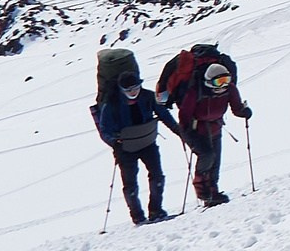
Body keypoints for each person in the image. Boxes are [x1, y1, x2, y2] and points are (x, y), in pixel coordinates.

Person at [158, 44, 252, 208]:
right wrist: (187, 133)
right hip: (195, 129)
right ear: (209, 81)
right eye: (218, 81)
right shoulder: (195, 91)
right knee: (207, 155)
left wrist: (244, 112)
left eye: (225, 80)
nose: (222, 85)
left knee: (215, 160)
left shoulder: (229, 89)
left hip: (215, 126)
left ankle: (212, 192)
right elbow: (185, 115)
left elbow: (236, 108)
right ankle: (203, 192)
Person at [93, 69, 182, 225]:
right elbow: (104, 129)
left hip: (147, 143)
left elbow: (163, 114)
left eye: (136, 87)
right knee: (131, 184)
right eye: (129, 90)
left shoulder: (148, 97)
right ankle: (137, 216)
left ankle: (156, 210)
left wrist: (178, 130)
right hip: (125, 148)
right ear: (121, 90)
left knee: (157, 176)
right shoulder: (111, 104)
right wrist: (114, 142)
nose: (134, 92)